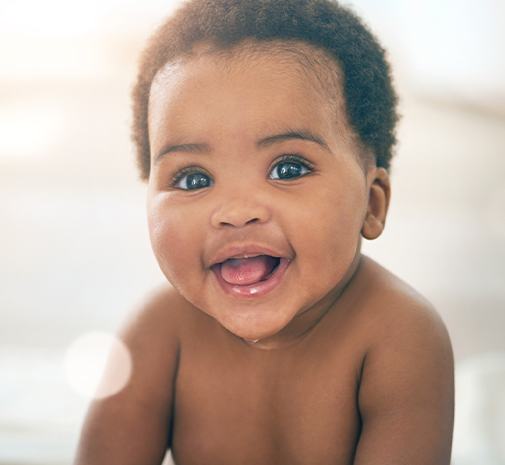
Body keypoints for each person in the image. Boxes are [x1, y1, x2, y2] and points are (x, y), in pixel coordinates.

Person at [74, 0, 454, 463]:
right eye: (194, 179)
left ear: (371, 204)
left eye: (288, 168)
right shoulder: (157, 332)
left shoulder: (399, 337)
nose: (235, 212)